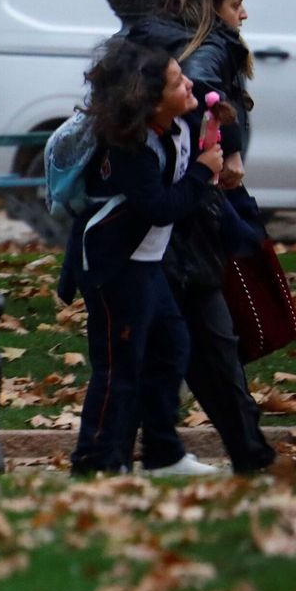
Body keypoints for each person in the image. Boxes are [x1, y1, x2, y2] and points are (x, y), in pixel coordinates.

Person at [124, 0, 278, 474]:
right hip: (187, 211)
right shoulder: (207, 45)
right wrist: (229, 151)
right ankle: (244, 455)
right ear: (212, 5)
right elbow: (205, 92)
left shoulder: (147, 35)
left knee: (169, 343)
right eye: (236, 4)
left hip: (157, 215)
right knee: (204, 342)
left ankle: (158, 452)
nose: (243, 14)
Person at [57, 38, 225, 476]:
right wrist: (206, 171)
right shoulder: (129, 147)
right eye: (176, 81)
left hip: (149, 263)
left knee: (171, 349)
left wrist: (219, 124)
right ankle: (95, 462)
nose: (189, 84)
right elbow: (160, 206)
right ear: (151, 102)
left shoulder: (181, 119)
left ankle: (162, 454)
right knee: (118, 367)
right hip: (114, 268)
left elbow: (217, 109)